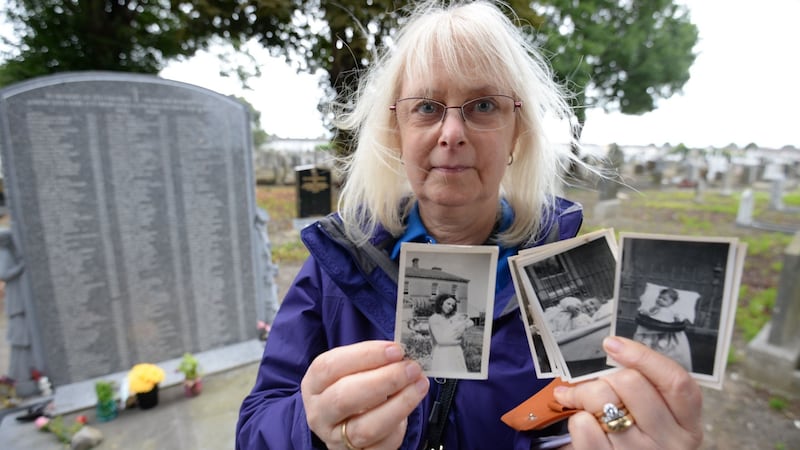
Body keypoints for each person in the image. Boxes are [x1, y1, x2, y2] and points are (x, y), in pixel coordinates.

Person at [236, 1, 703, 449]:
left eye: (482, 106)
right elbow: (255, 427)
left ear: (516, 133)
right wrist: (312, 427)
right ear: (396, 131)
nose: (452, 133)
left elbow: (594, 418)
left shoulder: (573, 279)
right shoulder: (336, 265)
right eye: (426, 107)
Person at [633, 287, 694, 372]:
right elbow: (650, 313)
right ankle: (647, 342)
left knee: (666, 334)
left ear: (671, 303)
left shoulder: (671, 311)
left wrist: (677, 319)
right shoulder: (655, 307)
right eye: (659, 297)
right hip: (655, 324)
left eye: (664, 299)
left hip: (666, 326)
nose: (660, 300)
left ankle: (663, 340)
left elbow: (676, 319)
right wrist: (646, 312)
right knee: (650, 334)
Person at [427, 294, 473, 372]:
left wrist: (463, 326)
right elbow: (440, 341)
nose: (450, 307)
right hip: (443, 352)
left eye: (453, 305)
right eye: (448, 304)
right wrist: (458, 342)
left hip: (456, 351)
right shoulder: (434, 319)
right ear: (441, 303)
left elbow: (471, 322)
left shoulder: (453, 316)